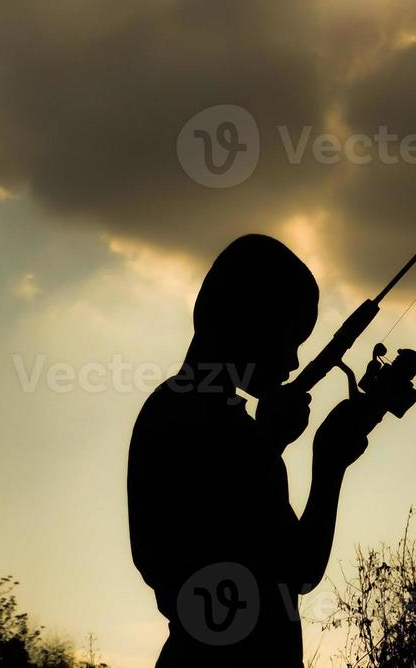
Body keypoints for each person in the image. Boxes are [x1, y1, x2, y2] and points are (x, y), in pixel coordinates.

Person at [127, 234, 369, 667]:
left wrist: (328, 462)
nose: (294, 362)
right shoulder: (179, 414)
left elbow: (297, 570)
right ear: (250, 319)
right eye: (291, 337)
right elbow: (192, 552)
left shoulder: (229, 425)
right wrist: (268, 447)